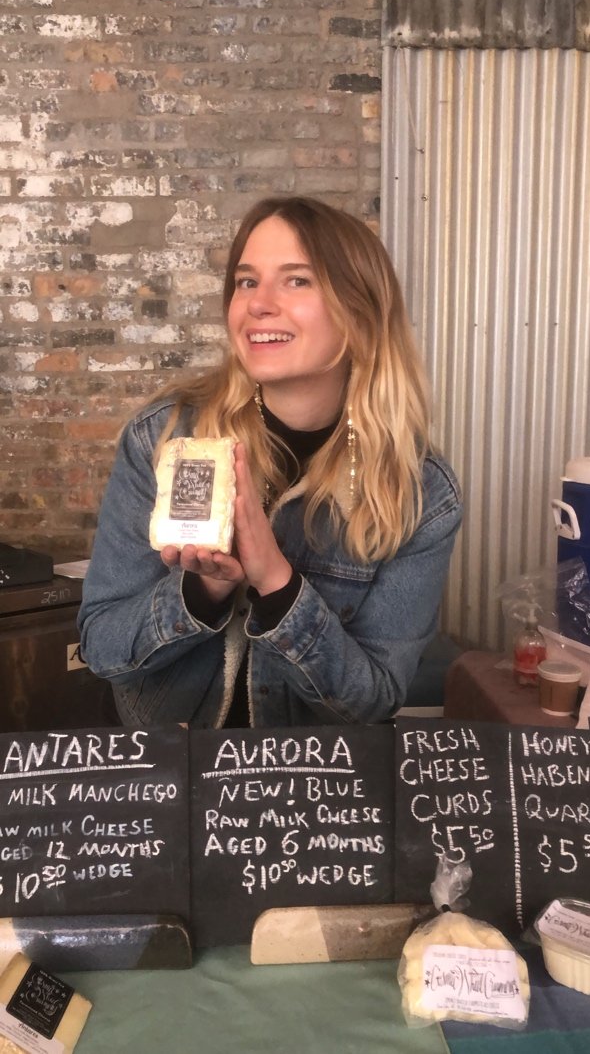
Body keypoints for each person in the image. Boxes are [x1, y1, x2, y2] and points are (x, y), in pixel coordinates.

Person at [78, 196, 462, 729]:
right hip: (171, 775)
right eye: (246, 281)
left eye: (297, 280)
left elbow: (374, 698)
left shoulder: (420, 491)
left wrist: (278, 583)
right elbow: (102, 648)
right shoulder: (164, 438)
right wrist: (202, 591)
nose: (259, 303)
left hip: (308, 788)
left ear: (360, 309)